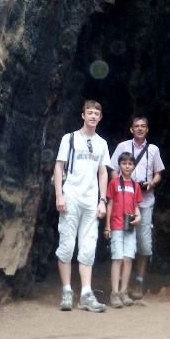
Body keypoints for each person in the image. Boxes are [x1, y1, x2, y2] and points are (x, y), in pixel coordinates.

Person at [54, 100, 109, 312]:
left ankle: (86, 293)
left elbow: (103, 172)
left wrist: (102, 200)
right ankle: (67, 291)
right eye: (90, 112)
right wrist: (59, 195)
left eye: (97, 113)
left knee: (88, 247)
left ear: (100, 117)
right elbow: (59, 167)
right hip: (71, 197)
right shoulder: (69, 139)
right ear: (83, 115)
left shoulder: (102, 144)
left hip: (90, 201)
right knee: (67, 245)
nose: (93, 116)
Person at [110, 115, 165, 299]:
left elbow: (158, 173)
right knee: (121, 240)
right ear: (131, 129)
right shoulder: (123, 147)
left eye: (143, 126)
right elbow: (113, 170)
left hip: (145, 202)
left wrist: (152, 183)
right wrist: (119, 190)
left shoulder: (154, 150)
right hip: (124, 203)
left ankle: (138, 281)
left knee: (143, 243)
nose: (140, 129)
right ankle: (118, 285)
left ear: (147, 129)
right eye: (136, 126)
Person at [103, 151, 143, 307]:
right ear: (119, 166)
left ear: (133, 166)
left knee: (128, 259)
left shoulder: (135, 185)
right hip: (117, 226)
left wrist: (138, 217)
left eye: (130, 163)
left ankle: (123, 291)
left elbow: (136, 207)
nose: (127, 166)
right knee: (117, 258)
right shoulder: (114, 183)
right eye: (124, 163)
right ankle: (114, 292)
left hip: (130, 227)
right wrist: (107, 226)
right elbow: (110, 204)